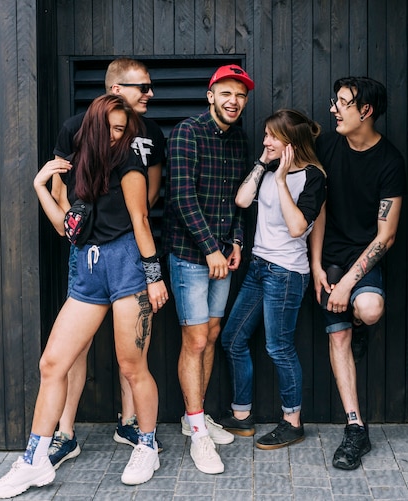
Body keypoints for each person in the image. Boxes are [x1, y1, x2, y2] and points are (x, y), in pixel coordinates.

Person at [0, 95, 168, 498]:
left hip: (126, 263)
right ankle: (34, 461)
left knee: (131, 363)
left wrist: (154, 276)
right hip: (87, 267)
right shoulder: (76, 166)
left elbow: (140, 219)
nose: (116, 136)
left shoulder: (129, 163)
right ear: (91, 127)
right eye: (110, 127)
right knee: (52, 363)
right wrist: (40, 186)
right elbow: (68, 229)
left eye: (122, 129)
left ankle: (147, 444)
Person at [47, 58, 166, 467]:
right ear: (116, 90)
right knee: (71, 348)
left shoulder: (148, 133)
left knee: (129, 353)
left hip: (128, 247)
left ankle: (132, 426)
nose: (150, 94)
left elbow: (146, 198)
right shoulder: (76, 126)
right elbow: (63, 185)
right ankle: (63, 434)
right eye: (143, 87)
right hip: (87, 250)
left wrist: (122, 219)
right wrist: (79, 225)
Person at [309, 76, 406, 470]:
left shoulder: (390, 161)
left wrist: (348, 283)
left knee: (367, 310)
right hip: (328, 257)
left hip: (363, 258)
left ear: (365, 110)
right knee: (339, 338)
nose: (333, 108)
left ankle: (356, 317)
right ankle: (355, 429)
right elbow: (319, 210)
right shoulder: (327, 146)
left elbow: (387, 235)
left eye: (342, 102)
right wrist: (316, 267)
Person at [163, 64, 254, 474]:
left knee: (212, 334)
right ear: (211, 95)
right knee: (195, 339)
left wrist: (234, 242)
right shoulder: (187, 133)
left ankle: (192, 416)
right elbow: (181, 198)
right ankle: (198, 432)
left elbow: (237, 200)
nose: (234, 101)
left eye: (241, 95)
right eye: (227, 93)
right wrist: (209, 250)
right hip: (189, 254)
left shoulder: (240, 140)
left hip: (222, 254)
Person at [218, 109, 326, 449]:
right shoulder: (265, 171)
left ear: (292, 142)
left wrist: (281, 180)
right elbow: (241, 199)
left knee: (279, 347)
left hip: (287, 273)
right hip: (258, 267)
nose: (265, 141)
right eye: (265, 134)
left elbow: (297, 228)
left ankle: (292, 421)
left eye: (272, 136)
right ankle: (241, 417)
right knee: (233, 339)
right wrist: (264, 164)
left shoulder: (313, 178)